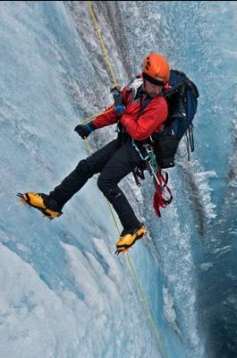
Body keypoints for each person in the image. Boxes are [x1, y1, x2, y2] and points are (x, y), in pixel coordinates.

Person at [19, 52, 170, 254]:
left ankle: (133, 227)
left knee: (105, 181)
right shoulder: (136, 87)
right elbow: (115, 111)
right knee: (85, 167)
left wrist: (121, 113)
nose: (156, 87)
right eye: (152, 82)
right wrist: (91, 125)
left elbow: (139, 131)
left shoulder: (160, 106)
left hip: (138, 150)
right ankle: (54, 203)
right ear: (145, 76)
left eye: (159, 84)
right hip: (125, 141)